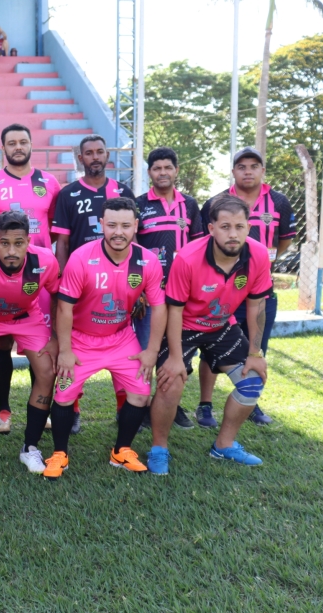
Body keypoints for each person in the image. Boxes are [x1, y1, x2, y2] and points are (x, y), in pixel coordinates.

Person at [147, 195, 273, 474]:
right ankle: (159, 448)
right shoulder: (188, 258)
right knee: (172, 381)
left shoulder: (258, 254)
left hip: (221, 325)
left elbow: (256, 306)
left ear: (248, 227)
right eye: (225, 226)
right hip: (185, 325)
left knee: (252, 381)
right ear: (211, 228)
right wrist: (176, 358)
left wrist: (255, 353)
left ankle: (224, 446)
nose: (233, 234)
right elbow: (175, 310)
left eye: (240, 227)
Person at [50, 198, 166, 478]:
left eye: (126, 225)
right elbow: (64, 307)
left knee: (140, 393)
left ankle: (121, 451)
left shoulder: (146, 261)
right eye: (111, 224)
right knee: (64, 395)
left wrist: (151, 350)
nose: (118, 232)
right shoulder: (82, 257)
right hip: (81, 339)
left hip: (120, 337)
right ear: (101, 225)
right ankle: (59, 453)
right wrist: (64, 349)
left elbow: (159, 306)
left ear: (136, 226)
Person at [0, 123, 62, 434]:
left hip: (39, 275)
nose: (18, 147)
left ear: (31, 145)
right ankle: (4, 411)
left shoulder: (50, 182)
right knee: (2, 343)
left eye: (23, 141)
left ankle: (42, 410)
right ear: (4, 148)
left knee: (42, 347)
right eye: (12, 142)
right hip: (0, 272)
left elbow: (54, 227)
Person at [197, 147, 295, 427]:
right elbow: (206, 241)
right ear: (233, 171)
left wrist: (264, 261)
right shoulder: (216, 202)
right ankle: (205, 404)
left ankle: (250, 401)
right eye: (242, 166)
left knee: (256, 346)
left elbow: (284, 240)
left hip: (258, 288)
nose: (248, 171)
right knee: (212, 347)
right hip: (222, 289)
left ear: (263, 171)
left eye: (254, 166)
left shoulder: (279, 201)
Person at [51, 134, 134, 432]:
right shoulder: (68, 193)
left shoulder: (122, 191)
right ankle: (71, 408)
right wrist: (60, 278)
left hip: (119, 279)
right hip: (81, 279)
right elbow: (62, 241)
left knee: (121, 340)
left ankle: (125, 408)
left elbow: (133, 238)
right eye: (89, 153)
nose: (95, 157)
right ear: (80, 158)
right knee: (74, 343)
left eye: (100, 152)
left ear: (107, 156)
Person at [133, 147, 203, 429]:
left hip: (183, 293)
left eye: (167, 167)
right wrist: (137, 289)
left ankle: (171, 403)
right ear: (149, 173)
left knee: (179, 352)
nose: (162, 172)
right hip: (150, 293)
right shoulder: (138, 204)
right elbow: (132, 248)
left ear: (176, 170)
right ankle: (139, 406)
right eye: (156, 168)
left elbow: (199, 246)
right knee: (147, 349)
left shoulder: (190, 204)